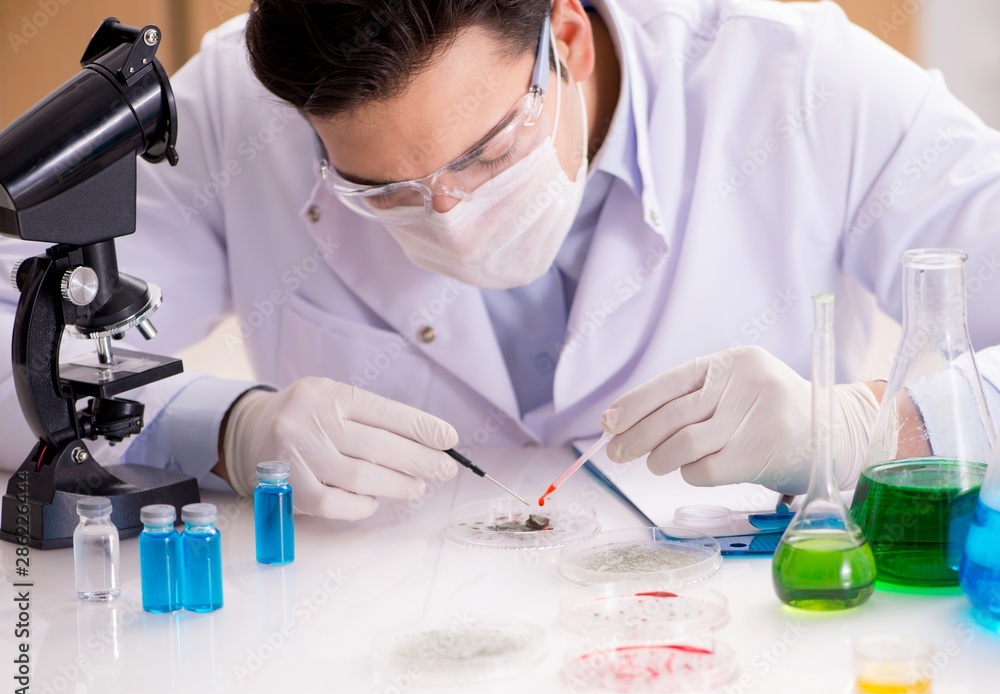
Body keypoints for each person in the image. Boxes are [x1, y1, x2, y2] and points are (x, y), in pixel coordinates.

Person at [1, 0, 999, 520]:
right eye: (380, 188)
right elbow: (17, 349)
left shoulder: (798, 81)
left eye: (486, 151)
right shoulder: (238, 114)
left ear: (566, 34)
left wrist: (872, 424)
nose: (453, 216)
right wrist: (224, 429)